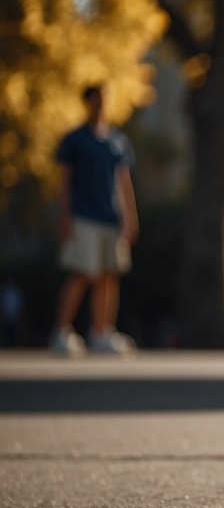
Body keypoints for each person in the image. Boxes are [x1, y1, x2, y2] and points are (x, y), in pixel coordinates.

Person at [50, 85, 139, 356]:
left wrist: (130, 217)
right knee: (83, 272)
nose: (101, 104)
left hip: (110, 216)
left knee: (109, 276)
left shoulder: (117, 141)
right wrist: (65, 215)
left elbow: (124, 181)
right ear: (87, 102)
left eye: (105, 99)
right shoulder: (75, 139)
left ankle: (102, 332)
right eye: (97, 99)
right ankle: (61, 331)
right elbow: (65, 180)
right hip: (84, 214)